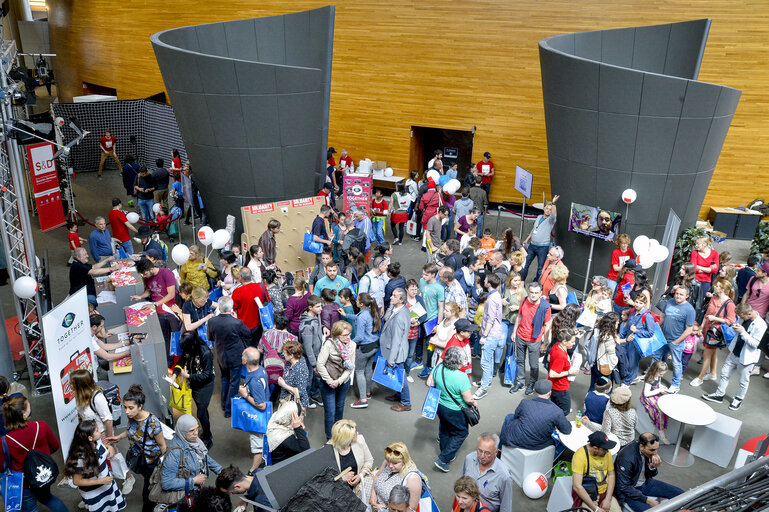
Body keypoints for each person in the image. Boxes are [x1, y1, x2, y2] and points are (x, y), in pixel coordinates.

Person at [0, 396, 68, 512]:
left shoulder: (5, 441)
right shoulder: (41, 426)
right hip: (43, 476)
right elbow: (55, 445)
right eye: (28, 407)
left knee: (30, 508)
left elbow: (2, 466)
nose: (30, 408)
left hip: (24, 484)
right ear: (24, 414)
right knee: (48, 498)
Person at [105, 385, 166, 512]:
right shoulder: (132, 416)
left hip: (151, 461)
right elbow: (131, 430)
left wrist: (165, 465)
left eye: (130, 408)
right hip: (138, 457)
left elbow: (162, 445)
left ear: (140, 406)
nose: (126, 411)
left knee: (147, 491)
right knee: (147, 480)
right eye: (125, 407)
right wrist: (119, 437)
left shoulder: (153, 422)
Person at [702, 302, 767, 410]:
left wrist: (743, 332)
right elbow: (737, 332)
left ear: (749, 313)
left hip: (747, 358)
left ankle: (738, 399)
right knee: (724, 374)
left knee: (743, 381)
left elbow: (756, 344)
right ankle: (719, 394)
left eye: (741, 317)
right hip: (734, 352)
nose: (740, 319)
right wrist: (735, 328)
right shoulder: (744, 317)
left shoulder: (761, 325)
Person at [427, 346, 478, 472]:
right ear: (459, 361)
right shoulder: (462, 377)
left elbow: (429, 383)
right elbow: (467, 399)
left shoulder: (438, 368)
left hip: (440, 405)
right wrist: (474, 402)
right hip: (455, 410)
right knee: (461, 432)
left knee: (444, 429)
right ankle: (443, 459)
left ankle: (445, 450)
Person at [63, 420, 126, 512]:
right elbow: (77, 481)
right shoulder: (80, 458)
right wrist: (100, 481)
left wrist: (110, 448)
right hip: (94, 492)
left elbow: (102, 446)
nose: (100, 431)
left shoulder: (96, 441)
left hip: (106, 484)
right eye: (97, 430)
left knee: (111, 505)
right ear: (90, 438)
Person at [160, 414, 222, 502]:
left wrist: (219, 470)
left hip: (195, 489)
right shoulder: (174, 453)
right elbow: (167, 483)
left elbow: (202, 455)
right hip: (184, 495)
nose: (196, 433)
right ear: (183, 431)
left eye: (197, 429)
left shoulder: (192, 440)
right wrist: (194, 481)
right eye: (192, 430)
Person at [615, 433, 684, 511]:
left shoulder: (648, 452)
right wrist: (647, 500)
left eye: (657, 449)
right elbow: (624, 487)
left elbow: (652, 474)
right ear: (641, 447)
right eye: (652, 450)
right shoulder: (626, 458)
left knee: (681, 494)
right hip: (630, 492)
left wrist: (652, 467)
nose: (655, 453)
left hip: (645, 483)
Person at [207, 296, 250, 418]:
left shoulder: (212, 321)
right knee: (234, 382)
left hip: (221, 355)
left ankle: (223, 404)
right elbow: (248, 333)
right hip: (235, 356)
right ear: (231, 308)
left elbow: (210, 338)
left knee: (224, 379)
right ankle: (228, 409)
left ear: (219, 308)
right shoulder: (237, 322)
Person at [500, 378, 571, 449]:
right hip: (536, 445)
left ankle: (499, 448)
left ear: (535, 391)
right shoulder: (557, 411)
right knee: (554, 441)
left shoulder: (525, 402)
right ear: (550, 393)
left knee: (509, 417)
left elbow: (516, 417)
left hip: (515, 439)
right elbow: (567, 430)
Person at [692, 278, 736, 386]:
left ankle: (700, 377)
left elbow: (730, 321)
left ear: (722, 290)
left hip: (716, 332)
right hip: (708, 328)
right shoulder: (714, 299)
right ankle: (712, 373)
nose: (714, 287)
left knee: (707, 353)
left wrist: (716, 319)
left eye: (717, 286)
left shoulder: (730, 304)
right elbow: (706, 313)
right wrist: (702, 327)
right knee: (712, 352)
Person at [317, 320, 356, 439]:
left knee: (339, 409)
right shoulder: (329, 344)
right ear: (337, 334)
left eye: (349, 334)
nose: (348, 337)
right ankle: (330, 439)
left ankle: (338, 436)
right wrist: (330, 381)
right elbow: (320, 364)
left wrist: (338, 381)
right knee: (330, 412)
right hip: (328, 382)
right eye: (345, 335)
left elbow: (350, 367)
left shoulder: (352, 345)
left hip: (343, 382)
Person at [511, 282, 552, 394]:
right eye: (531, 292)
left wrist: (545, 342)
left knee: (533, 365)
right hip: (520, 336)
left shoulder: (545, 307)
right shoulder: (524, 300)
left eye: (536, 293)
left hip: (535, 340)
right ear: (528, 292)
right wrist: (514, 332)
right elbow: (519, 316)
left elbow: (547, 325)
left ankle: (532, 383)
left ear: (540, 293)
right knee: (520, 361)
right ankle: (520, 382)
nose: (533, 295)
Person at [654, 286, 696, 393]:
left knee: (677, 364)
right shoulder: (670, 301)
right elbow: (663, 315)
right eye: (677, 293)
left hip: (676, 342)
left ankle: (675, 385)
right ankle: (653, 377)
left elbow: (689, 330)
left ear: (687, 296)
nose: (678, 296)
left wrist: (676, 341)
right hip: (663, 338)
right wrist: (658, 330)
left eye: (681, 294)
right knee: (657, 357)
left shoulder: (690, 310)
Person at [177, 330, 215, 448]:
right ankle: (206, 432)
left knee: (200, 413)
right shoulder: (190, 349)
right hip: (194, 383)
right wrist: (174, 374)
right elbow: (182, 359)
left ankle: (208, 436)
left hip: (205, 386)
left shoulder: (205, 353)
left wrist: (188, 376)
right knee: (202, 409)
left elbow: (207, 374)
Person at [328, 419, 375, 507]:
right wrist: (341, 478)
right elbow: (324, 478)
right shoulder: (327, 450)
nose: (357, 433)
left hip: (358, 490)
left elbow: (369, 460)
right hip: (338, 494)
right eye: (354, 434)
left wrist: (361, 475)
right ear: (345, 439)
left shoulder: (360, 440)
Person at [460, 434, 512, 512]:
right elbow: (460, 484)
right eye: (480, 451)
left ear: (496, 452)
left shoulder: (504, 476)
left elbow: (506, 507)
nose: (482, 456)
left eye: (487, 453)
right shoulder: (469, 459)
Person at [571, 431, 621, 512]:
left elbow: (611, 475)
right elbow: (577, 486)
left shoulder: (606, 453)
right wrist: (596, 509)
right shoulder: (580, 456)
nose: (607, 451)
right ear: (595, 448)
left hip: (604, 492)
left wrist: (608, 499)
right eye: (604, 449)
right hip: (588, 493)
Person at [380, 288, 412, 411]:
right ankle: (399, 395)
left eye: (394, 296)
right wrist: (391, 306)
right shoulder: (400, 309)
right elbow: (387, 317)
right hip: (398, 350)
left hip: (397, 352)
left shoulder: (399, 317)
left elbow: (396, 340)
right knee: (399, 375)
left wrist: (391, 359)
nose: (390, 297)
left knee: (400, 376)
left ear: (401, 300)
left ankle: (406, 403)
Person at [474, 273, 504, 400]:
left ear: (489, 284)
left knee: (485, 362)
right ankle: (487, 381)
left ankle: (484, 388)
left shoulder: (491, 299)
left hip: (491, 335)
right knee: (489, 359)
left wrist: (484, 336)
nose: (484, 281)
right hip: (495, 333)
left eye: (485, 280)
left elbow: (490, 320)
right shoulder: (495, 295)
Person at [240, 347, 269, 474]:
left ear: (245, 361)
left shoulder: (255, 381)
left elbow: (261, 405)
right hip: (262, 415)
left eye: (242, 355)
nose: (241, 357)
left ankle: (254, 470)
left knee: (257, 444)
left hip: (258, 418)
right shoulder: (260, 370)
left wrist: (245, 395)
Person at [370, 442, 423, 512]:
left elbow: (410, 509)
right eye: (389, 461)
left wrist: (386, 509)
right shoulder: (390, 460)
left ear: (404, 460)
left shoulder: (412, 478)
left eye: (395, 463)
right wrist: (373, 494)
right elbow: (377, 476)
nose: (390, 466)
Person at [351, 293, 381, 409]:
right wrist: (347, 315)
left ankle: (363, 399)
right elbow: (359, 317)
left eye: (357, 300)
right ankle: (368, 392)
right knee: (368, 369)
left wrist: (348, 343)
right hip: (374, 346)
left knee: (359, 371)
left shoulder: (362, 317)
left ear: (361, 304)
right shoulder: (371, 311)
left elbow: (359, 337)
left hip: (364, 348)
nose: (356, 301)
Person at [617, 296, 654, 386]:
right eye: (636, 302)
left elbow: (650, 333)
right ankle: (630, 378)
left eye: (640, 303)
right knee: (625, 360)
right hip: (627, 340)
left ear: (645, 304)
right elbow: (628, 327)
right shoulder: (633, 311)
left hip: (637, 343)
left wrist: (636, 331)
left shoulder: (647, 316)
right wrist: (619, 336)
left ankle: (627, 382)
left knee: (633, 362)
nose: (637, 304)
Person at [521, 195, 559, 281]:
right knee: (525, 264)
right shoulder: (539, 217)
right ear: (544, 209)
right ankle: (522, 280)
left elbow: (553, 215)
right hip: (532, 245)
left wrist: (553, 203)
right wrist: (527, 239)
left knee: (540, 268)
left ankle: (536, 282)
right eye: (547, 208)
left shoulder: (551, 220)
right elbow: (534, 229)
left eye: (550, 209)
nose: (548, 211)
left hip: (543, 247)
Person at [417, 263, 445, 378]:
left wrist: (438, 324)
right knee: (419, 340)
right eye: (423, 274)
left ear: (433, 275)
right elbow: (420, 295)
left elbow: (441, 307)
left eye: (426, 275)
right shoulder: (422, 281)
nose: (423, 277)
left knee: (430, 344)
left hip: (432, 319)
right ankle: (418, 360)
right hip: (421, 316)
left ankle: (428, 366)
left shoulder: (439, 288)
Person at [231, 267, 270, 344]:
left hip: (244, 326)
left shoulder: (237, 292)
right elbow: (267, 301)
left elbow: (233, 309)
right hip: (259, 323)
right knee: (258, 345)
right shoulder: (261, 286)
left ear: (241, 277)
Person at [548, 328, 581, 415]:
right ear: (564, 341)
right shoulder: (560, 355)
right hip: (560, 387)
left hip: (554, 385)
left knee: (555, 405)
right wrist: (570, 372)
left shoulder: (556, 345)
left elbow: (549, 358)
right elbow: (552, 374)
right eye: (572, 342)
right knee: (565, 410)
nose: (574, 344)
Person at [640, 361, 672, 444]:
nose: (662, 376)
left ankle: (663, 424)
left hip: (655, 393)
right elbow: (646, 394)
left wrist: (661, 387)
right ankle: (661, 432)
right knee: (660, 409)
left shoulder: (657, 376)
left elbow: (658, 383)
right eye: (661, 374)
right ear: (656, 371)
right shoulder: (649, 379)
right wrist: (659, 390)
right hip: (648, 398)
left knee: (666, 405)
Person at [277, 339, 309, 407]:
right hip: (286, 401)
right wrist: (283, 344)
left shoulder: (300, 369)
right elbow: (279, 353)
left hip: (294, 405)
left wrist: (283, 385)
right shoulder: (292, 360)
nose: (283, 354)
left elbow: (301, 392)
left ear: (291, 355)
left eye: (285, 352)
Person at [593, 312, 621, 388]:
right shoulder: (609, 338)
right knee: (605, 388)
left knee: (594, 385)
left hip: (595, 363)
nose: (618, 323)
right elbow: (611, 356)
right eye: (617, 321)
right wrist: (615, 362)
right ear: (612, 323)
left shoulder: (599, 330)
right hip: (604, 365)